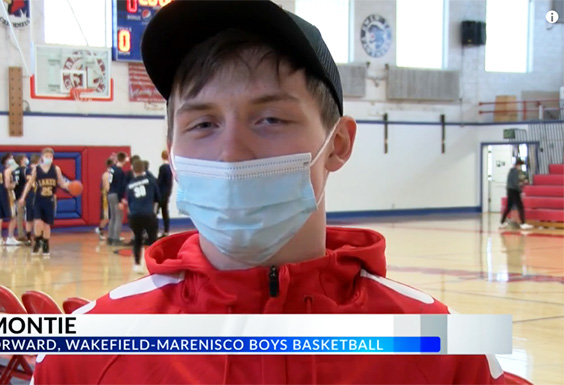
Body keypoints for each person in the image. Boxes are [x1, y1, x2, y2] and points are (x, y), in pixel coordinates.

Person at [33, 1, 504, 383]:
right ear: (172, 153)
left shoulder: (449, 351)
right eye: (202, 123)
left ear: (337, 144)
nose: (231, 152)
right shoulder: (82, 355)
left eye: (270, 119)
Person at [18, 148, 70, 256]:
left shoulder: (56, 169)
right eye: (47, 156)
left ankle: (46, 244)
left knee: (47, 225)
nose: (49, 158)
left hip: (50, 200)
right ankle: (37, 242)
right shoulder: (37, 169)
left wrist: (70, 187)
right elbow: (29, 184)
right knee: (37, 222)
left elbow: (62, 183)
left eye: (51, 156)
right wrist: (23, 197)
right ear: (42, 157)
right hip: (38, 199)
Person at [120, 159, 160, 274]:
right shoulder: (151, 181)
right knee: (153, 240)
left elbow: (129, 203)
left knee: (138, 239)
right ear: (144, 169)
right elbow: (157, 198)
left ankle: (137, 264)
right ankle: (154, 263)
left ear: (133, 170)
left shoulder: (130, 185)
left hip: (135, 215)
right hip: (148, 213)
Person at [0, 153, 20, 247]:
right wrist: (14, 184)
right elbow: (7, 185)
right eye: (11, 158)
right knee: (13, 217)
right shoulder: (8, 170)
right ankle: (10, 237)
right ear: (6, 160)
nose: (13, 159)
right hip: (7, 195)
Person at [500, 158, 533, 230]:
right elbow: (515, 183)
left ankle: (502, 222)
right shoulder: (516, 172)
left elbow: (510, 182)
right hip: (515, 191)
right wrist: (520, 191)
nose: (520, 167)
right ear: (518, 165)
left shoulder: (510, 171)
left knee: (508, 207)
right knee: (520, 207)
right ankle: (523, 223)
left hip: (509, 191)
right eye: (520, 165)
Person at [106, 152, 128, 245]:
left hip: (110, 193)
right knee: (119, 217)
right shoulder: (120, 172)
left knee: (112, 217)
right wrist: (121, 199)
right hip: (116, 195)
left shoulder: (113, 168)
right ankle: (116, 238)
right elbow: (120, 187)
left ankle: (110, 237)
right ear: (123, 160)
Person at [23, 154, 41, 245]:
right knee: (35, 217)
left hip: (33, 195)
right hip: (34, 194)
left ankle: (30, 237)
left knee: (31, 218)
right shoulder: (30, 170)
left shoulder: (29, 169)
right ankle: (33, 236)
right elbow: (30, 182)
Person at [96, 158, 114, 240]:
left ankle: (112, 234)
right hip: (106, 197)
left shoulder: (110, 174)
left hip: (109, 196)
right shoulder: (106, 175)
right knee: (106, 217)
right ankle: (100, 229)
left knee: (111, 216)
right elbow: (107, 188)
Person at [12, 153, 29, 242]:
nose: (27, 159)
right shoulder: (26, 170)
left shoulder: (15, 171)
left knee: (19, 216)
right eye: (25, 158)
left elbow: (14, 184)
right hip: (26, 195)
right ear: (22, 160)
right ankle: (29, 233)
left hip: (17, 195)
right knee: (29, 215)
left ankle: (20, 234)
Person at [157, 149, 173, 237]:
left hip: (161, 193)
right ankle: (166, 230)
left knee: (155, 211)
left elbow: (159, 181)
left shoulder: (162, 167)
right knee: (165, 212)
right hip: (167, 192)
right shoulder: (170, 167)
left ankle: (153, 230)